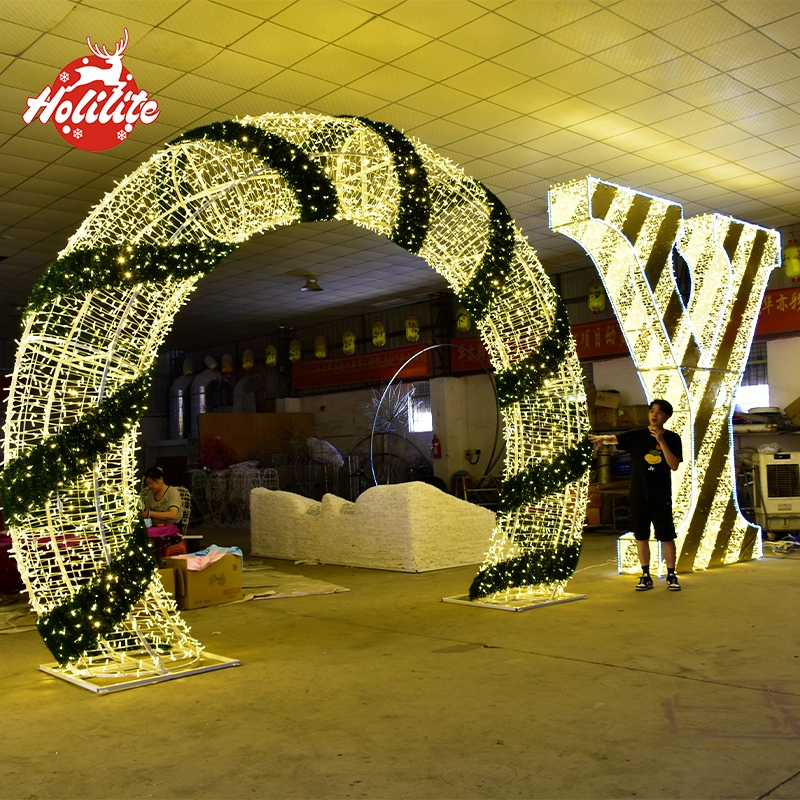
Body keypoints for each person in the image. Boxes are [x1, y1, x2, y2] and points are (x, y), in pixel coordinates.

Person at [589, 399, 683, 592]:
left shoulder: (673, 438)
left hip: (660, 495)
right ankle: (645, 574)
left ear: (666, 417)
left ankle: (671, 575)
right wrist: (602, 439)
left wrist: (661, 441)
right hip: (638, 494)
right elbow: (616, 439)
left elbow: (673, 465)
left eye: (659, 412)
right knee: (641, 536)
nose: (654, 415)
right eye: (652, 411)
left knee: (666, 536)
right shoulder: (638, 435)